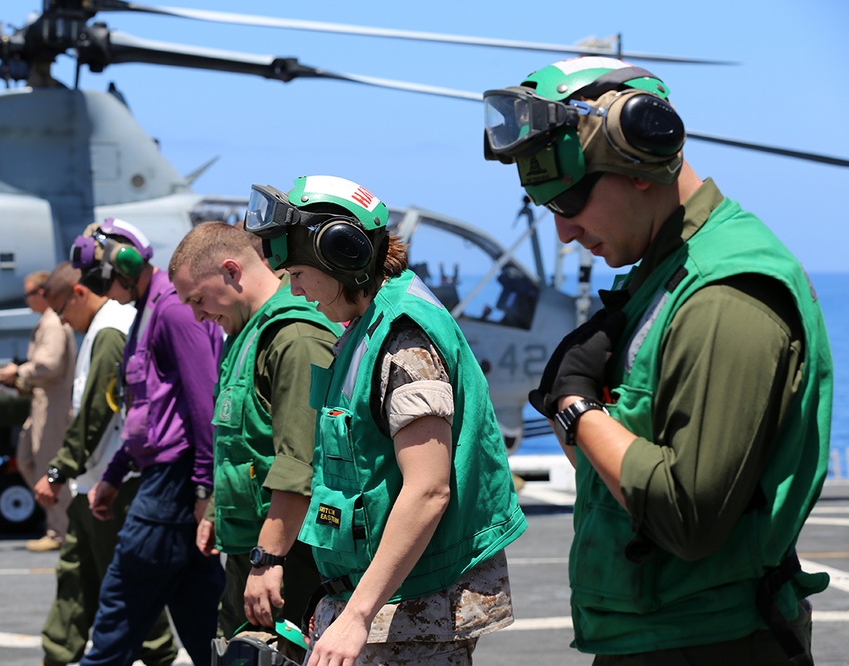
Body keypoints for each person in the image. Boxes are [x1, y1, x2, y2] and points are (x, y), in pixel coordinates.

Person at [483, 56, 833, 664]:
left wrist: (574, 407)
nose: (565, 233)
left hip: (711, 642)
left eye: (569, 203)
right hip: (654, 634)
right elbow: (612, 469)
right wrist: (587, 417)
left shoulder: (725, 295)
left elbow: (688, 517)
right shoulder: (658, 278)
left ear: (639, 160)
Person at [245, 175, 528, 665]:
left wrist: (355, 617)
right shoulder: (363, 330)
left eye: (297, 274)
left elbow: (428, 489)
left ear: (339, 253)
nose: (294, 290)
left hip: (416, 609)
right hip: (380, 601)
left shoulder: (403, 342)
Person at [168, 222, 342, 659]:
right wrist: (216, 510)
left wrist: (269, 561)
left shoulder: (294, 339)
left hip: (293, 562)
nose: (197, 316)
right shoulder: (247, 335)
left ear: (231, 270)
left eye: (198, 299)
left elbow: (299, 465)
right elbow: (245, 443)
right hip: (256, 551)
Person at [69, 218, 225, 666]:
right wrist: (115, 475)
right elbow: (146, 414)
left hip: (173, 484)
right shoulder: (146, 312)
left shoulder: (173, 311)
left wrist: (202, 487)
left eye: (96, 272)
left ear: (124, 263)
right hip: (166, 476)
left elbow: (203, 403)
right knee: (202, 623)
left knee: (119, 607)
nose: (94, 284)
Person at [31, 263, 177, 666]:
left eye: (61, 308)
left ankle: (160, 657)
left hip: (116, 484)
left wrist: (60, 468)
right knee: (76, 578)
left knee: (129, 587)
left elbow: (97, 411)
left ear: (79, 293)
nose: (60, 320)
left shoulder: (110, 329)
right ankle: (58, 656)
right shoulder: (101, 327)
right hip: (94, 482)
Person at [0, 269, 76, 552]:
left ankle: (62, 532)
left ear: (42, 293)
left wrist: (18, 371)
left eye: (29, 294)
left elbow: (49, 364)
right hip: (43, 404)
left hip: (54, 407)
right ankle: (57, 525)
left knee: (51, 469)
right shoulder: (48, 321)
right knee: (29, 460)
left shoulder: (52, 322)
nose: (26, 299)